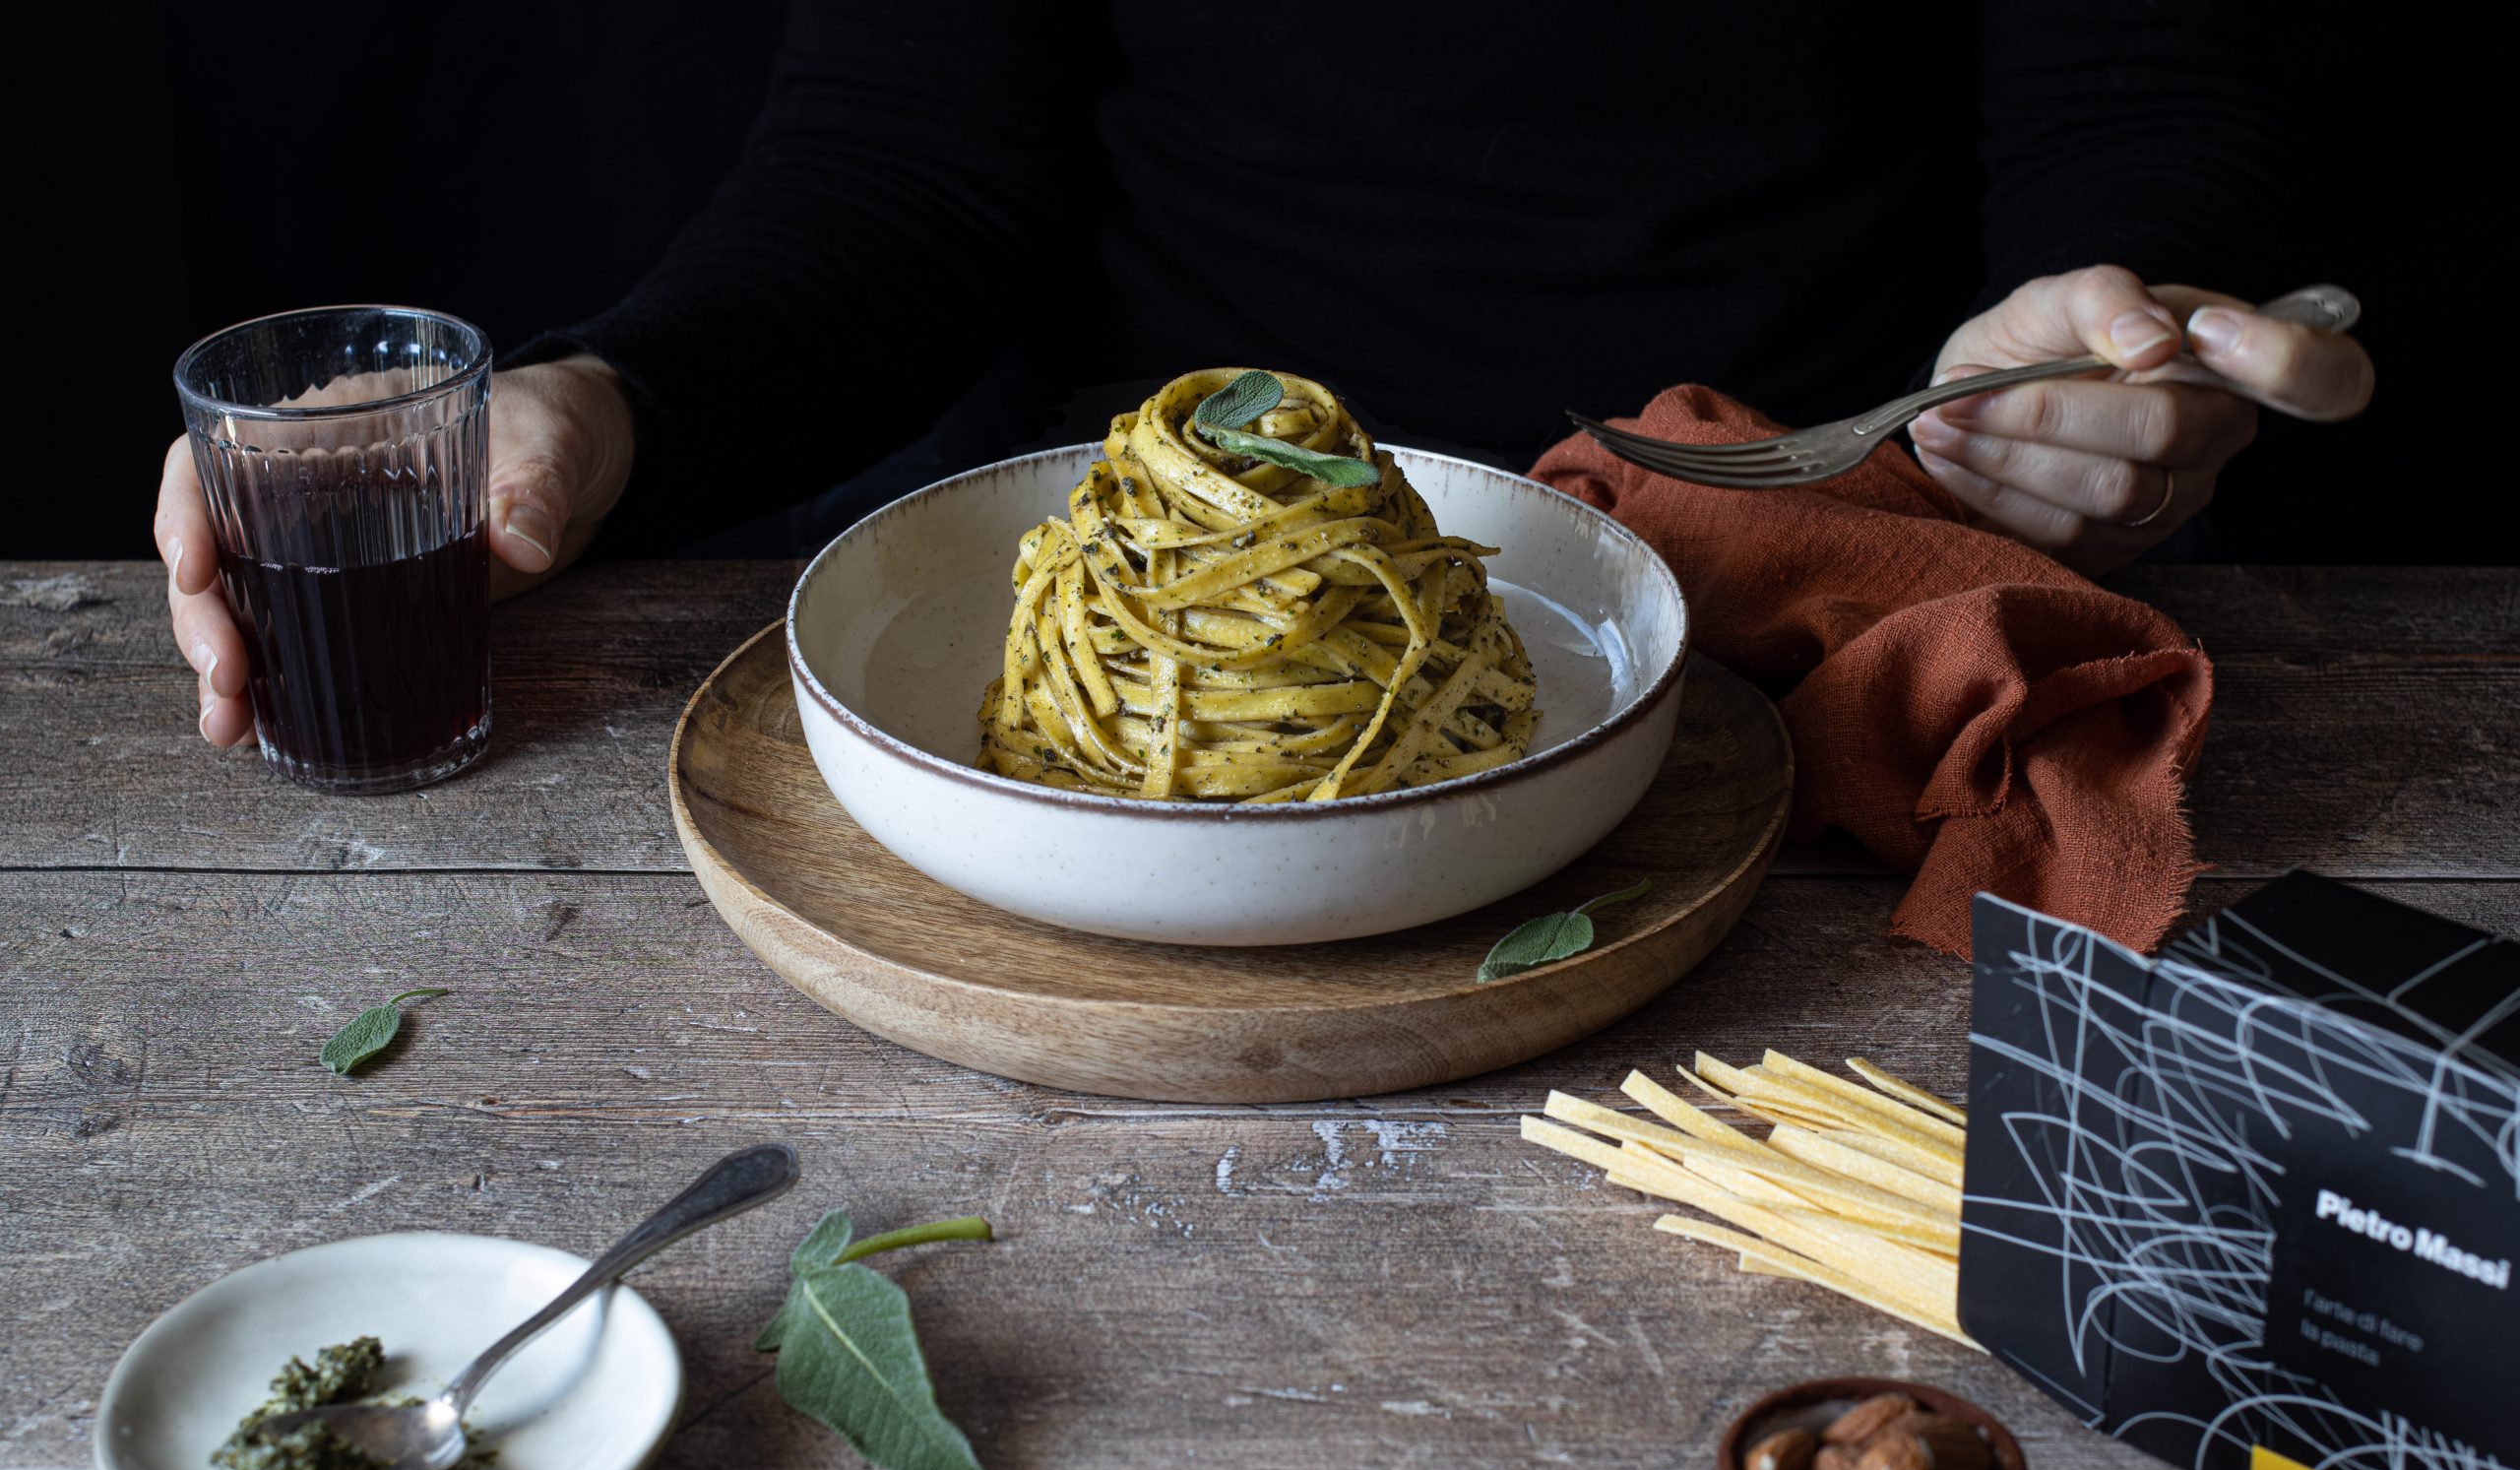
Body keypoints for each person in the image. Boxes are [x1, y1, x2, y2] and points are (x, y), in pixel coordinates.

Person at [158, 0, 2374, 749]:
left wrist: (2107, 342)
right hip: (1130, 623)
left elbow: (2125, 79)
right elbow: (904, 165)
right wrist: (607, 395)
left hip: (1823, 560)